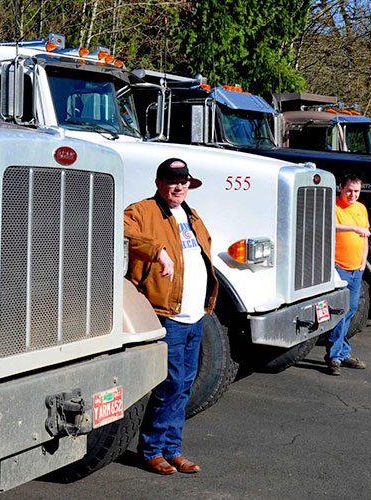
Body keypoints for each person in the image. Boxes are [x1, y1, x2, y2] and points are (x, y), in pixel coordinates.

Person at [124, 157, 218, 476]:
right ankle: (151, 450)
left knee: (185, 384)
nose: (179, 187)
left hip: (195, 315)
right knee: (171, 383)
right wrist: (156, 250)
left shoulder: (191, 215)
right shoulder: (142, 211)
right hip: (169, 314)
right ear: (158, 183)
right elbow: (119, 229)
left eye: (184, 182)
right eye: (172, 181)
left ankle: (172, 449)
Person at [326, 174, 370, 376]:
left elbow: (365, 237)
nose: (353, 195)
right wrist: (353, 227)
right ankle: (335, 356)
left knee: (351, 309)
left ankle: (342, 352)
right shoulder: (333, 206)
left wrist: (363, 262)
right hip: (339, 267)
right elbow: (330, 226)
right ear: (340, 188)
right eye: (349, 190)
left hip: (356, 269)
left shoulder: (361, 208)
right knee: (340, 310)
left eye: (357, 191)